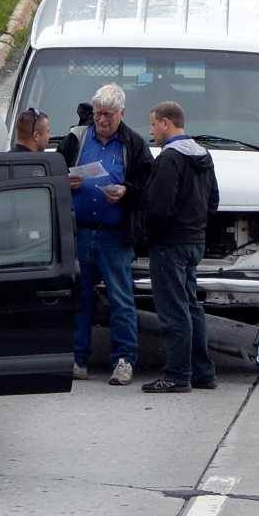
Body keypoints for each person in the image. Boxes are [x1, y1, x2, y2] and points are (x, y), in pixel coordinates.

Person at [69, 85, 152, 385]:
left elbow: (149, 186)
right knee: (80, 298)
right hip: (80, 233)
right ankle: (78, 359)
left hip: (115, 236)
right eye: (98, 114)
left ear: (122, 114)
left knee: (121, 299)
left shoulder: (134, 144)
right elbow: (52, 174)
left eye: (108, 114)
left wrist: (127, 192)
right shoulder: (77, 138)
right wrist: (69, 182)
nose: (101, 120)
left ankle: (124, 360)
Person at [139, 102, 219, 395]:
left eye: (153, 124)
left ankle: (176, 374)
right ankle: (203, 372)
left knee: (173, 312)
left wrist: (148, 235)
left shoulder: (169, 159)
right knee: (191, 307)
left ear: (166, 123)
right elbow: (214, 201)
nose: (151, 131)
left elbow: (160, 207)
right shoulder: (203, 154)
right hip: (195, 241)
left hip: (169, 245)